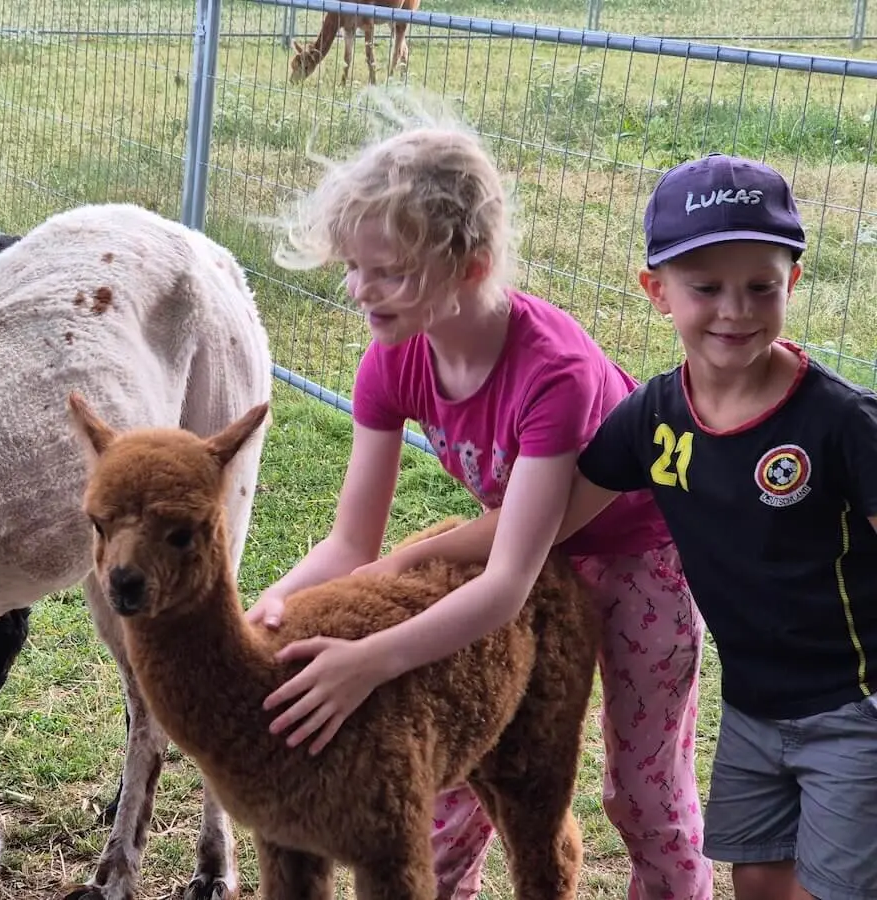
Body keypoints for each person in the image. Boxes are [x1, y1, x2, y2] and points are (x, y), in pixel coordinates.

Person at [249, 90, 713, 900]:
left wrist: (368, 660)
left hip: (636, 555)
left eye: (388, 272)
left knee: (643, 792)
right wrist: (272, 606)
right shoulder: (392, 358)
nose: (358, 289)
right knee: (459, 761)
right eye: (354, 266)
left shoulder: (554, 372)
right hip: (523, 535)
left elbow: (504, 584)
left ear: (470, 266)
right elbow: (352, 544)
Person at [508, 152, 877, 900]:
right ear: (657, 291)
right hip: (751, 710)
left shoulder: (844, 422)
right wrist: (408, 565)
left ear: (792, 283)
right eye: (706, 287)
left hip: (852, 713)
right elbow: (543, 521)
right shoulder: (654, 416)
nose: (735, 310)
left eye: (760, 286)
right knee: (759, 881)